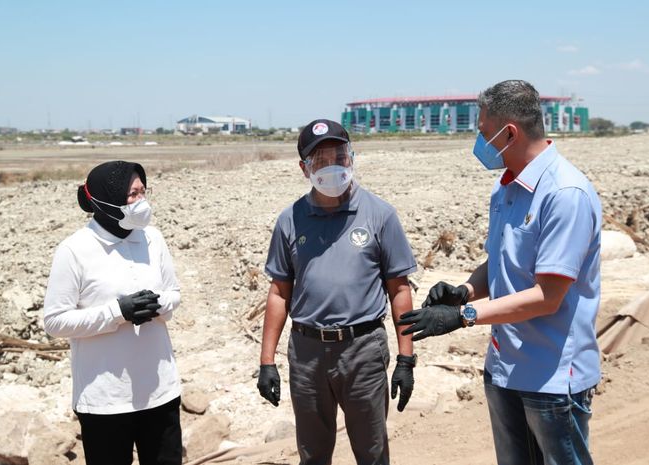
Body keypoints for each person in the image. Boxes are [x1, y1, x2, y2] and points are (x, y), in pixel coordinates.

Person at [399, 80, 602, 465]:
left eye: (484, 133)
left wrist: (462, 318)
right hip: (505, 368)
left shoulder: (564, 194)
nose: (481, 144)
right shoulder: (505, 188)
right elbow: (501, 261)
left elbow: (548, 296)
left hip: (552, 378)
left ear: (510, 132)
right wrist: (464, 291)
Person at [257, 119, 418, 465]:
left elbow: (399, 289)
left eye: (339, 155)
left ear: (351, 157)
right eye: (320, 159)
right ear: (304, 169)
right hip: (307, 354)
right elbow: (279, 292)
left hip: (363, 351)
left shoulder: (380, 215)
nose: (333, 165)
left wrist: (406, 358)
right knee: (313, 454)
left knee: (372, 452)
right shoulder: (290, 220)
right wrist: (266, 361)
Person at [43, 161, 182, 465]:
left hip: (160, 391)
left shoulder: (152, 238)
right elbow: (54, 321)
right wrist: (117, 312)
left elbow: (174, 293)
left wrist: (155, 305)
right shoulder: (74, 250)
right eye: (133, 194)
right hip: (105, 401)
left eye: (143, 192)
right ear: (106, 199)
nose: (141, 201)